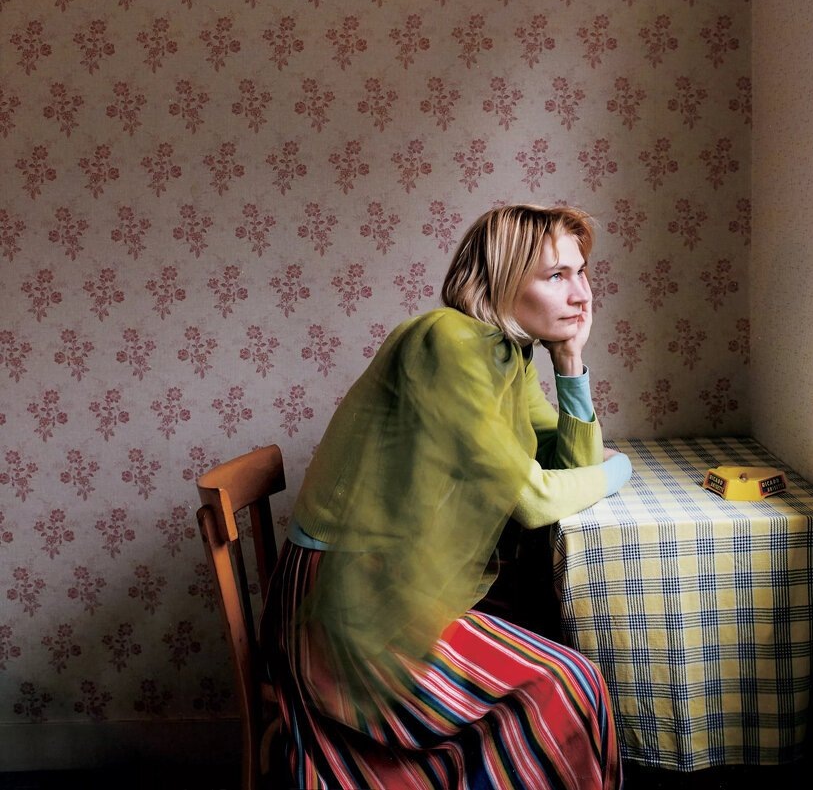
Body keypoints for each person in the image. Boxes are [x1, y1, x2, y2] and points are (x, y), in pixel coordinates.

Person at [261, 204, 633, 789]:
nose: (582, 294)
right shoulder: (449, 340)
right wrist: (622, 470)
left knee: (556, 656)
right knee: (570, 683)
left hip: (390, 587)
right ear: (503, 278)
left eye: (582, 272)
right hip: (342, 605)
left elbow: (570, 467)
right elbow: (535, 499)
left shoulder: (508, 356)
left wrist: (569, 360)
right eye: (557, 275)